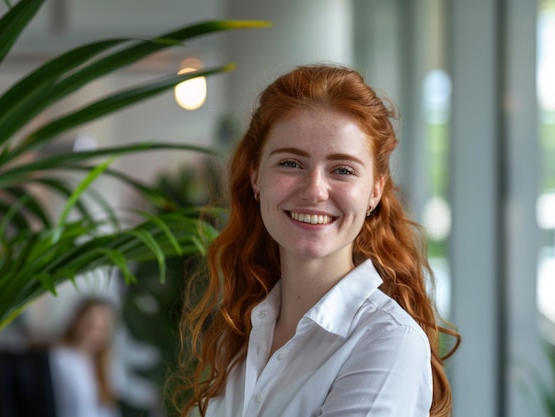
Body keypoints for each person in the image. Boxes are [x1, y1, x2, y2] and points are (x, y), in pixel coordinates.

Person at [171, 64, 460, 417]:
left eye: (342, 170)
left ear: (375, 191)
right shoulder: (243, 331)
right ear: (256, 177)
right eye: (291, 163)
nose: (314, 190)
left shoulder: (386, 341)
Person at [48, 297, 121, 417]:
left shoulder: (103, 363)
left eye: (101, 328)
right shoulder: (58, 356)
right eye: (89, 324)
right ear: (77, 320)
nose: (93, 333)